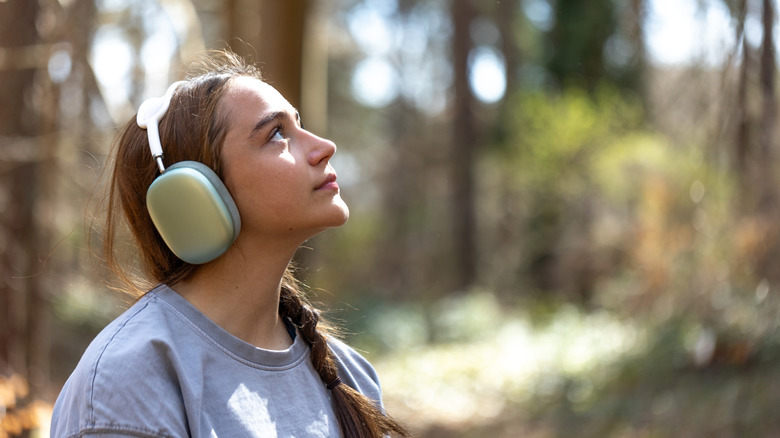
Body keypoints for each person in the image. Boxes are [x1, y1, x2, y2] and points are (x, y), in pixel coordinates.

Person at [51, 50, 408, 438]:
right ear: (193, 195)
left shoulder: (349, 376)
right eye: (276, 134)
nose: (324, 146)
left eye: (299, 124)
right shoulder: (130, 380)